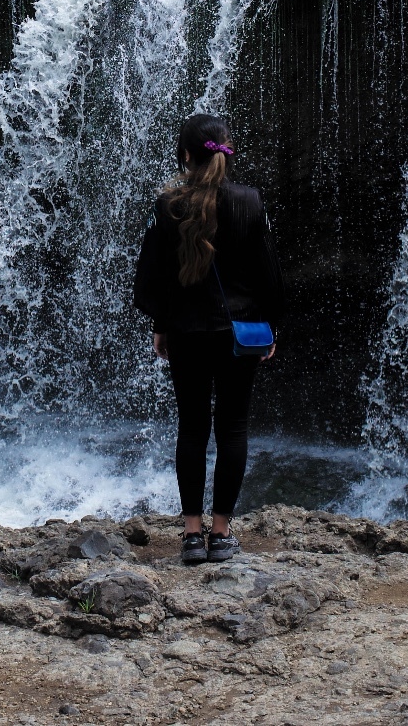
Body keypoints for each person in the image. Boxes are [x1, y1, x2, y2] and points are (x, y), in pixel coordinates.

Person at [132, 113, 285, 565]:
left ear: (185, 154)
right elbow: (268, 273)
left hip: (186, 331)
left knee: (193, 428)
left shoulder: (167, 205)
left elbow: (154, 273)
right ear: (225, 150)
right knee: (233, 427)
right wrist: (270, 325)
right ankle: (222, 535)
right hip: (238, 333)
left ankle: (192, 537)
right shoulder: (249, 202)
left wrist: (160, 323)